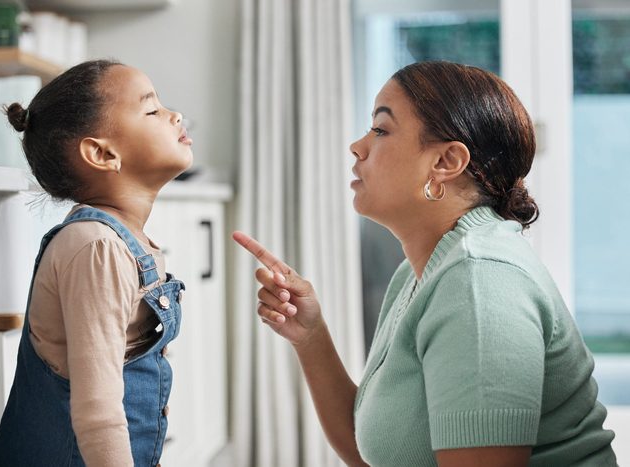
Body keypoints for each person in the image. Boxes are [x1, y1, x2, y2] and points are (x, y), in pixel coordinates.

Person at [233, 61, 617, 467]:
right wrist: (310, 336)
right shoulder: (423, 271)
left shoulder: (478, 281)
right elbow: (376, 453)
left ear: (446, 162)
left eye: (380, 129)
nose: (358, 146)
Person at [0, 59, 192, 467]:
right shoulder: (95, 248)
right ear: (102, 153)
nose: (175, 114)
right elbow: (98, 414)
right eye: (152, 110)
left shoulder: (124, 242)